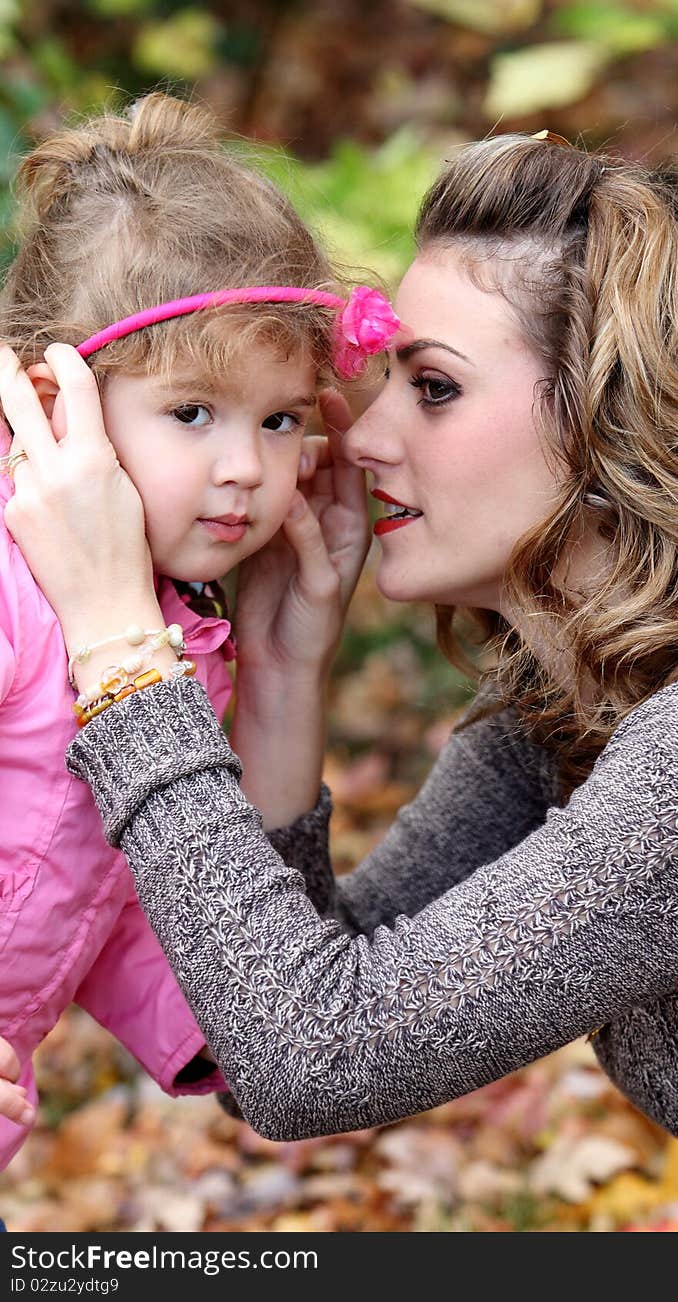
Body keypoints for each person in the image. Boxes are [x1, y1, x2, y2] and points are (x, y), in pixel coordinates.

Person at [3, 132, 678, 1233]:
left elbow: (310, 1054)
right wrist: (279, 677)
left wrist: (116, 645)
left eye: (431, 388)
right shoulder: (565, 711)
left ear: (611, 418)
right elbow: (258, 1019)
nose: (358, 437)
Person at [0, 91, 395, 1171]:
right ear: (55, 405)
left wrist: (214, 1032)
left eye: (278, 420)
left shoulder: (172, 641)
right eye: (193, 413)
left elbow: (104, 891)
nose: (245, 469)